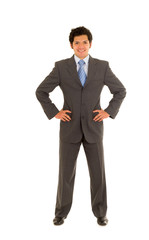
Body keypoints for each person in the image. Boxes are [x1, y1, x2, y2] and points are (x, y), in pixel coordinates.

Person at [36, 26, 126, 226]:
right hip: (69, 129)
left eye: (85, 42)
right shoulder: (61, 67)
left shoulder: (102, 67)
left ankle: (101, 213)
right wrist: (55, 112)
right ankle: (60, 213)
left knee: (98, 173)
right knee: (65, 174)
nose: (81, 46)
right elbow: (41, 91)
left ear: (90, 44)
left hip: (94, 128)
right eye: (77, 42)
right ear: (71, 45)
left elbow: (120, 91)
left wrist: (109, 112)